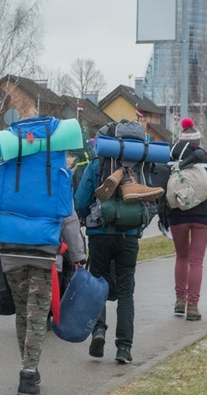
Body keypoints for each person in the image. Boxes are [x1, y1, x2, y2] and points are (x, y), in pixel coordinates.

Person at [0, 204, 86, 394]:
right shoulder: (57, 173)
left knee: (22, 311)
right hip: (45, 252)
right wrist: (78, 255)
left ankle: (29, 368)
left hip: (11, 251)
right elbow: (68, 219)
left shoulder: (6, 172)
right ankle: (28, 372)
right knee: (38, 314)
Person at [75, 139, 145, 365]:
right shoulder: (138, 163)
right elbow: (149, 197)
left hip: (99, 235)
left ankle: (98, 331)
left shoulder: (97, 164)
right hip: (129, 235)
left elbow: (81, 200)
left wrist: (86, 217)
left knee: (98, 285)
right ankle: (124, 348)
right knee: (126, 292)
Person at [167, 118, 207, 321]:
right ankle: (193, 306)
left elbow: (164, 183)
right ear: (198, 141)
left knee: (182, 257)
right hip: (204, 215)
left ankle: (180, 301)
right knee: (196, 261)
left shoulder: (172, 158)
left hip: (177, 213)